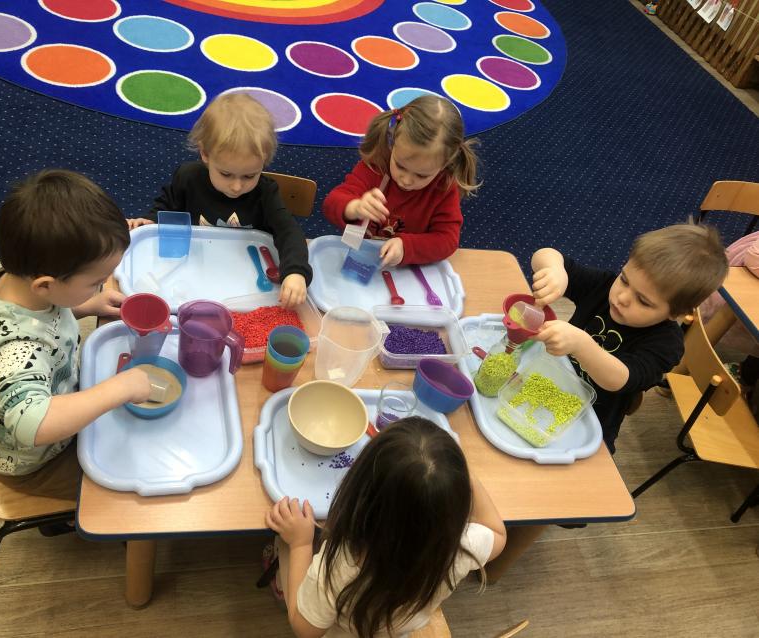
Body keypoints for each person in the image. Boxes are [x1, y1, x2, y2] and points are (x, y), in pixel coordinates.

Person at [0, 169, 152, 476]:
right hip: (34, 458)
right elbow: (31, 424)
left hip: (54, 392)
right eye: (95, 283)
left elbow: (45, 316)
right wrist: (119, 388)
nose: (101, 286)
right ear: (44, 285)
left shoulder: (16, 271)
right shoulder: (17, 350)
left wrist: (86, 305)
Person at [264, 417, 506, 638]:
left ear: (359, 492)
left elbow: (304, 630)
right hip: (393, 628)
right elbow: (497, 533)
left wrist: (301, 544)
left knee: (286, 540)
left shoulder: (341, 568)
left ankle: (280, 583)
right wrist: (459, 474)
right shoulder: (459, 549)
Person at [530, 222, 729, 453]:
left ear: (675, 313)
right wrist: (556, 271)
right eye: (624, 279)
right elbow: (544, 254)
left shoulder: (666, 345)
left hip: (590, 423)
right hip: (546, 383)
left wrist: (581, 344)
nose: (622, 297)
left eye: (643, 301)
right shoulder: (605, 287)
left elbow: (620, 379)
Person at [130, 93, 312, 308]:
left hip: (246, 281)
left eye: (249, 176)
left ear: (263, 162)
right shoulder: (188, 178)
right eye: (226, 174)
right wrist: (150, 221)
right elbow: (167, 206)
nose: (237, 186)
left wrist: (295, 272)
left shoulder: (266, 192)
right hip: (194, 273)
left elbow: (289, 231)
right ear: (205, 154)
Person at [322, 95, 479, 268]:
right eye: (400, 166)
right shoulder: (376, 166)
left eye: (421, 175)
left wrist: (406, 247)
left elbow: (447, 240)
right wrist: (355, 207)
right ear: (393, 142)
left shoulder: (444, 186)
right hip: (358, 260)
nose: (406, 180)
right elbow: (330, 204)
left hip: (405, 272)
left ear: (445, 165)